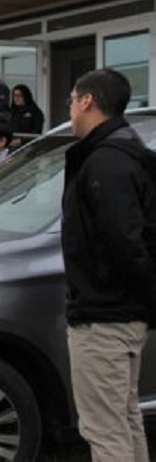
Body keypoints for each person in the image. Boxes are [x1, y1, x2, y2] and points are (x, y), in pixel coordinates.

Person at [62, 68, 156, 462]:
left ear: (88, 101)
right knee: (124, 419)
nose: (69, 106)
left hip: (105, 318)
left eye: (71, 98)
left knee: (105, 431)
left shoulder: (106, 162)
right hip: (122, 314)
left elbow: (124, 242)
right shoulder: (124, 151)